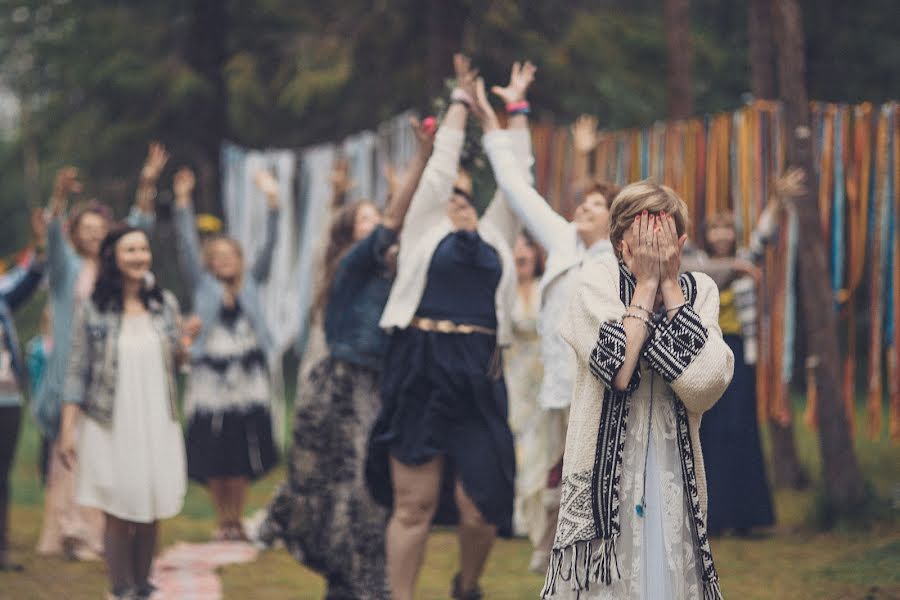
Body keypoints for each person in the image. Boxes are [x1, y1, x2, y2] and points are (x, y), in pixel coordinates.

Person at [365, 55, 531, 600]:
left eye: (465, 191)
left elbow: (517, 183)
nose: (457, 196)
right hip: (421, 364)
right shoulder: (424, 229)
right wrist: (459, 102)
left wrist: (507, 115)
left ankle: (467, 584)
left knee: (481, 506)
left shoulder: (497, 236)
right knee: (411, 504)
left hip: (478, 371)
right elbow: (437, 171)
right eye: (451, 191)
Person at [258, 116, 434, 600]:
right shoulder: (352, 266)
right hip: (342, 389)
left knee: (369, 494)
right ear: (350, 234)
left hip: (383, 387)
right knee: (344, 492)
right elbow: (397, 220)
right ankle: (351, 582)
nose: (379, 225)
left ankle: (354, 582)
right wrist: (423, 159)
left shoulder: (395, 275)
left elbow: (413, 229)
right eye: (367, 222)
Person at [539, 180, 734, 599]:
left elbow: (703, 386)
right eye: (643, 233)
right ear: (620, 241)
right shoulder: (596, 281)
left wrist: (669, 288)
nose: (653, 246)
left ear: (679, 241)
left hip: (671, 473)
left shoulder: (699, 292)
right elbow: (617, 369)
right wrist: (645, 287)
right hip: (604, 478)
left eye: (662, 234)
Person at [482, 106, 621, 571]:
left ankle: (602, 556)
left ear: (614, 219)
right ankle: (551, 553)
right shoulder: (561, 241)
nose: (583, 207)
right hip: (560, 387)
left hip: (606, 388)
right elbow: (519, 192)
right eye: (582, 203)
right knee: (556, 472)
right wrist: (493, 127)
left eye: (597, 205)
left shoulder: (621, 262)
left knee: (599, 475)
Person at [36, 144, 168, 560]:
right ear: (76, 233)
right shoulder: (66, 269)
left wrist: (147, 183)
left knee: (106, 452)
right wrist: (58, 197)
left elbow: (139, 228)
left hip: (114, 370)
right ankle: (72, 530)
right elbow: (50, 237)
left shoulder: (116, 273)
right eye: (85, 228)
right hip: (73, 372)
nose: (92, 233)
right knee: (71, 454)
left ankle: (99, 532)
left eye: (99, 228)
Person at [58, 225, 186, 600]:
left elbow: (177, 360)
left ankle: (143, 585)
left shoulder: (165, 304)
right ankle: (121, 588)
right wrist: (68, 429)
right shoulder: (95, 308)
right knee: (118, 506)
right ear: (114, 257)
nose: (139, 256)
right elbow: (77, 370)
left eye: (143, 249)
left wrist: (184, 347)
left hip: (156, 418)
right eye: (130, 250)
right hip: (110, 421)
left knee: (151, 504)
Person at [683, 168, 805, 537]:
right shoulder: (698, 265)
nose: (721, 234)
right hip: (706, 355)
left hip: (739, 353)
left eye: (727, 228)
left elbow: (763, 235)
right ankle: (711, 515)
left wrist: (777, 200)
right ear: (706, 234)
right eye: (715, 228)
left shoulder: (746, 256)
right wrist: (735, 267)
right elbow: (699, 270)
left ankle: (747, 515)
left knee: (742, 431)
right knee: (710, 433)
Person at [173, 165, 281, 541]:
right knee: (214, 451)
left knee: (241, 450)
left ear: (238, 259)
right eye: (215, 255)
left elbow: (270, 247)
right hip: (210, 377)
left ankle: (237, 517)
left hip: (246, 377)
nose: (222, 260)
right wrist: (183, 203)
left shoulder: (251, 283)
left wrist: (273, 203)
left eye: (228, 254)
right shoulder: (202, 286)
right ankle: (223, 519)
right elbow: (186, 246)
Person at [0, 213, 48, 571]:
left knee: (2, 473)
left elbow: (32, 278)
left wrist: (43, 242)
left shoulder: (3, 300)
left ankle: (1, 548)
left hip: (7, 399)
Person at [503, 232, 552, 549]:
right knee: (513, 439)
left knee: (539, 445)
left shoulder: (544, 290)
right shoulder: (503, 292)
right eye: (516, 246)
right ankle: (512, 515)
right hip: (512, 375)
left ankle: (535, 517)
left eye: (527, 247)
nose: (521, 252)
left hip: (540, 375)